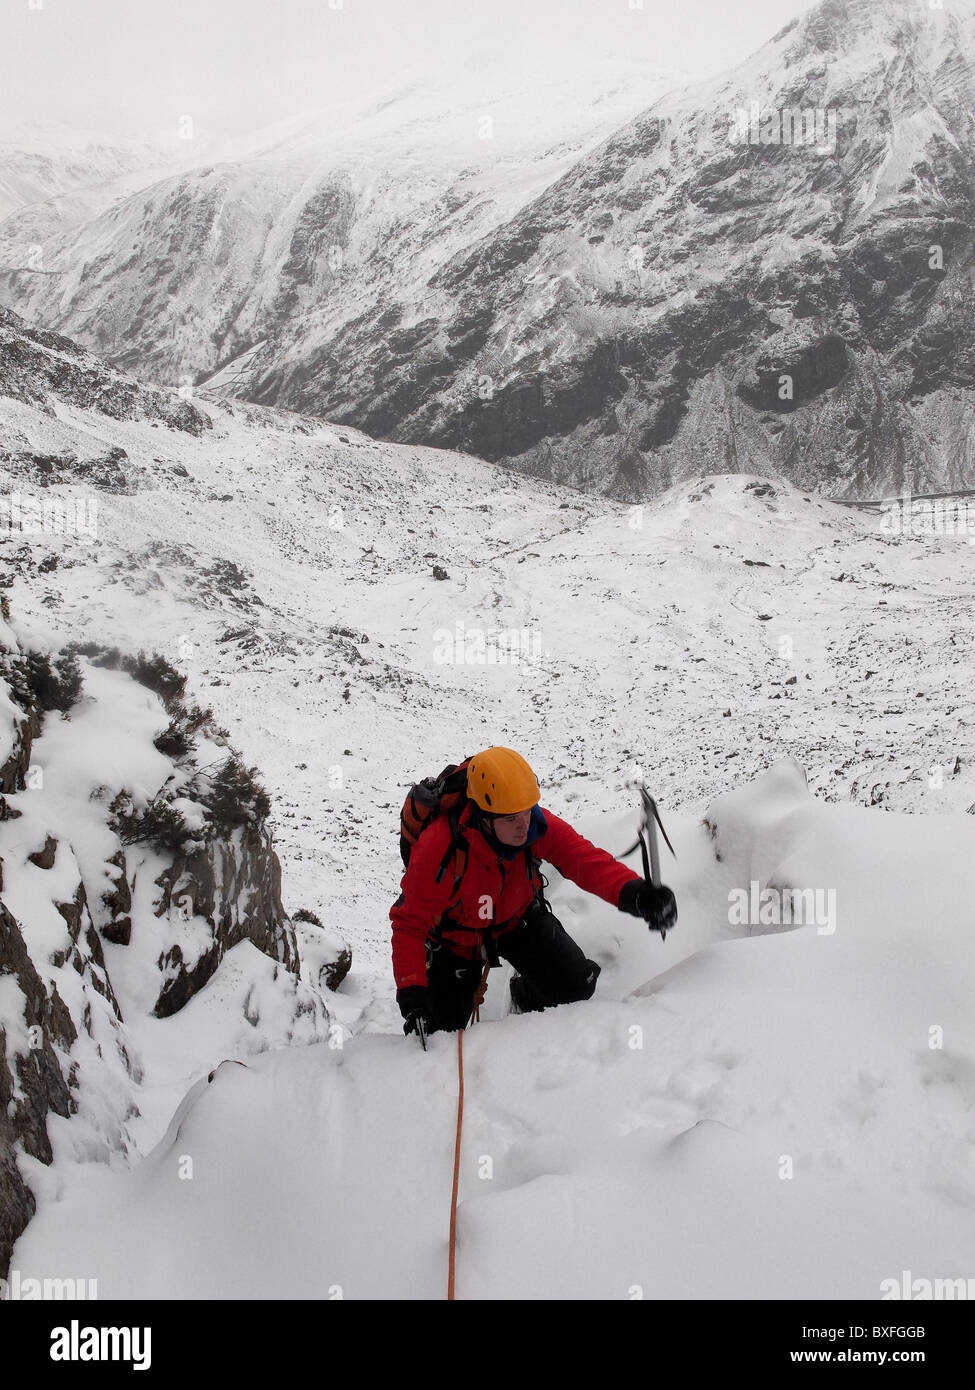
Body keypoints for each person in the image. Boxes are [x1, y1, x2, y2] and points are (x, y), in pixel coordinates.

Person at [391, 746, 677, 1037]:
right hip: (455, 942)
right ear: (482, 816)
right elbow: (409, 924)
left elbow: (583, 860)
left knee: (576, 986)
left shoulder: (535, 824)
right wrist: (412, 994)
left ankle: (523, 996)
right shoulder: (439, 846)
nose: (523, 826)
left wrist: (635, 894)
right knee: (439, 1034)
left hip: (517, 921)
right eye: (510, 819)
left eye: (527, 812)